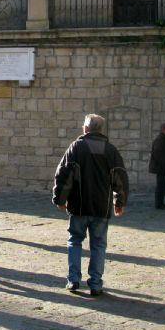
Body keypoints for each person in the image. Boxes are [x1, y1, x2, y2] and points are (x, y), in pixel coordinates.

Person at [52, 114, 128, 297]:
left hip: (78, 205)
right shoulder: (111, 151)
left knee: (74, 240)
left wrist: (60, 199)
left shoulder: (76, 148)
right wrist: (120, 202)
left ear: (86, 128)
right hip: (101, 207)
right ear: (100, 130)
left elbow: (63, 175)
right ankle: (95, 283)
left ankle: (73, 280)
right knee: (99, 245)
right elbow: (120, 179)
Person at [149, 123, 165, 210]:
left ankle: (160, 203)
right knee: (161, 186)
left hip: (163, 167)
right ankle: (159, 204)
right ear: (163, 129)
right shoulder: (160, 139)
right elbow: (156, 153)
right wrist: (164, 164)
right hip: (161, 168)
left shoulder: (163, 138)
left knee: (162, 185)